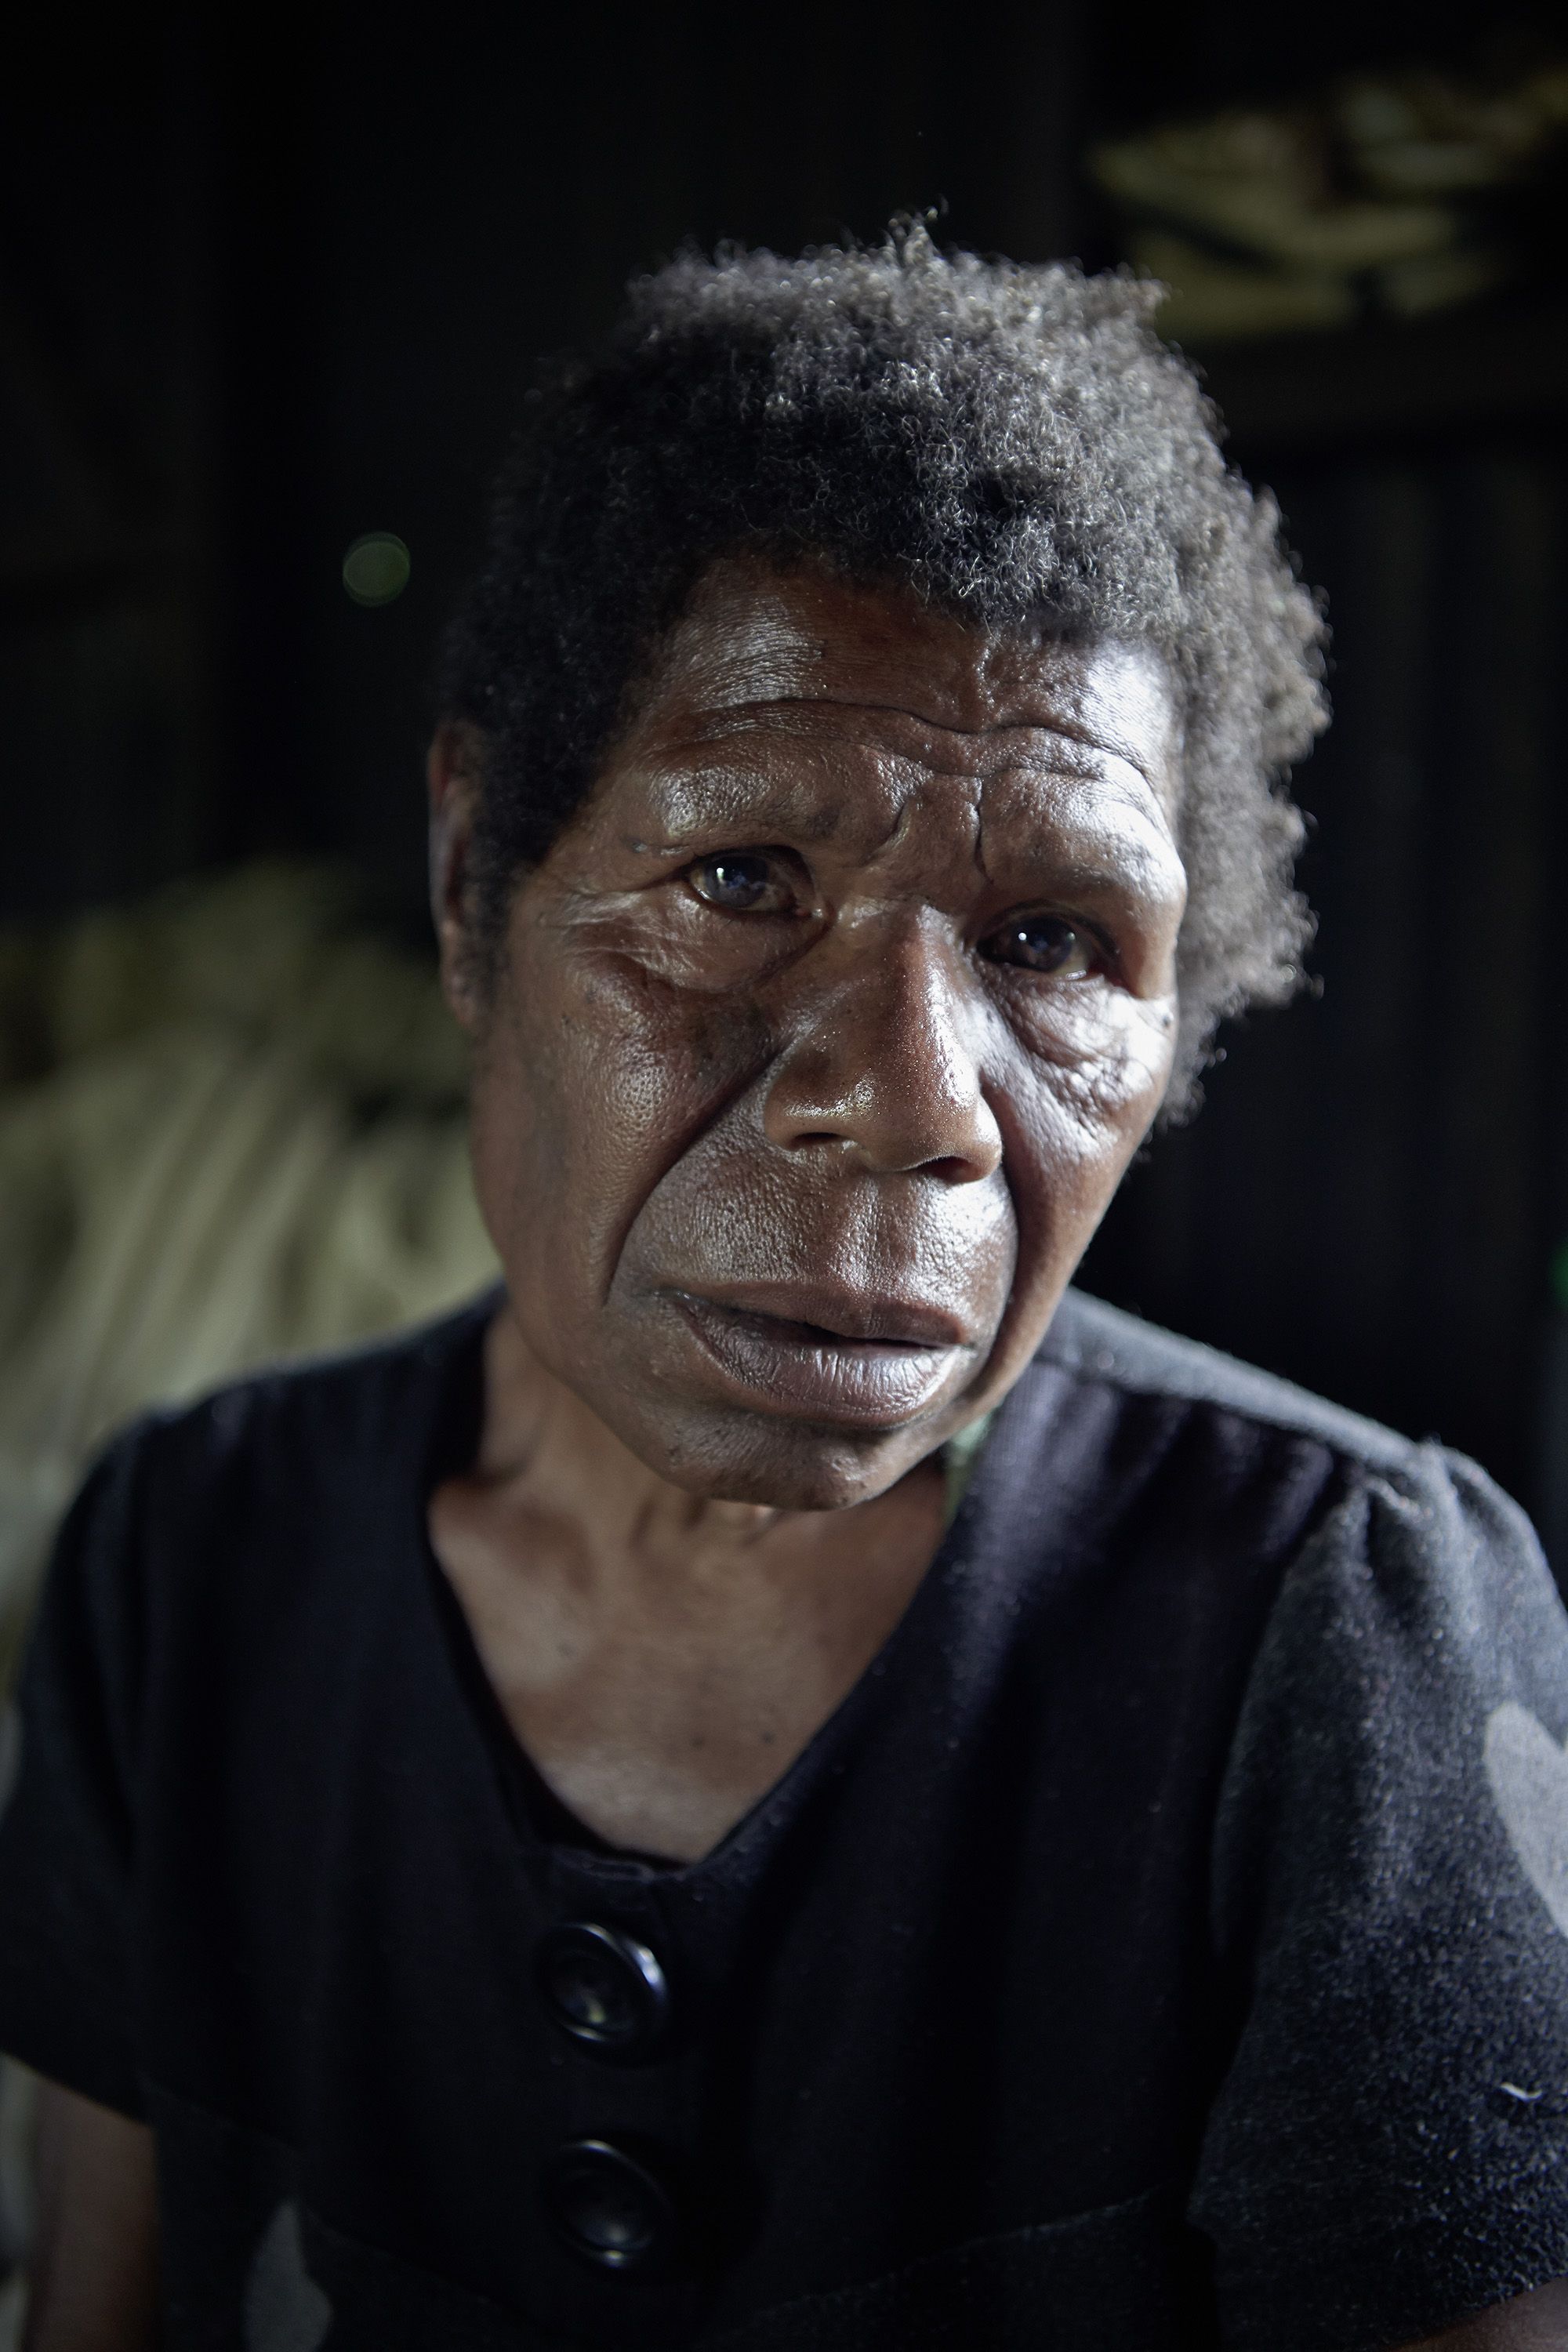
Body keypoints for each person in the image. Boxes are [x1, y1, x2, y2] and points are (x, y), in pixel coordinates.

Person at [2, 226, 1565, 2352]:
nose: (919, 1104)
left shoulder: (1340, 1626)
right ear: (473, 886)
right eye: (743, 879)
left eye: (1053, 946)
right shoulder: (193, 1565)